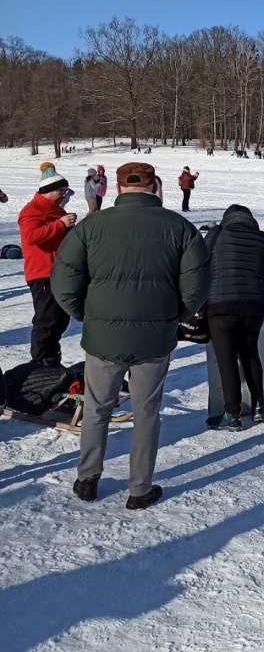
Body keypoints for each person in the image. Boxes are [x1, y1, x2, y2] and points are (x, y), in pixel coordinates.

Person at [51, 162, 210, 510]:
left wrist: (88, 316)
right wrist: (173, 318)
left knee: (96, 409)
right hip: (154, 337)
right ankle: (139, 488)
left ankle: (87, 479)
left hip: (104, 338)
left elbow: (62, 280)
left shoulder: (92, 226)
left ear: (118, 189)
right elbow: (197, 286)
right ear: (155, 186)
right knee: (147, 411)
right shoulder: (180, 228)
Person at [204, 205, 264, 431]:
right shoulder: (262, 238)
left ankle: (232, 414)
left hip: (221, 307)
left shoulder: (216, 233)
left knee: (227, 361)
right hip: (253, 307)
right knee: (251, 355)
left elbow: (201, 267)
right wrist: (255, 293)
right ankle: (258, 407)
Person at [17, 163, 76, 366]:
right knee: (47, 321)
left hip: (58, 272)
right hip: (42, 273)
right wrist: (60, 225)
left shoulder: (55, 210)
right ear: (51, 191)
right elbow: (30, 237)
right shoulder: (32, 210)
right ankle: (41, 364)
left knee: (60, 319)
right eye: (62, 191)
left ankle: (51, 359)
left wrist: (67, 229)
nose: (64, 195)